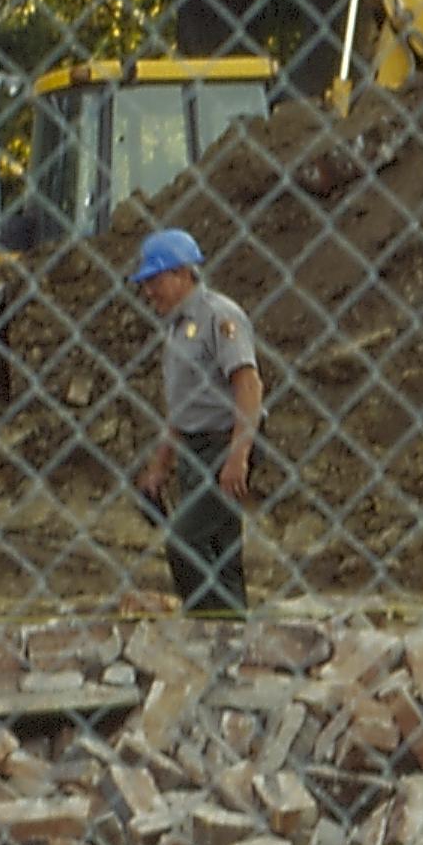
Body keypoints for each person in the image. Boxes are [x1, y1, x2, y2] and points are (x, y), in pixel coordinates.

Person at [129, 226, 265, 617]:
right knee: (219, 547)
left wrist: (238, 455)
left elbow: (249, 385)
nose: (148, 291)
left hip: (223, 442)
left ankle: (211, 625)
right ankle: (234, 632)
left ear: (182, 274)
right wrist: (161, 465)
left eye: (154, 280)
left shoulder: (220, 318)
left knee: (184, 541)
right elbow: (182, 405)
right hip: (193, 446)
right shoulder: (174, 328)